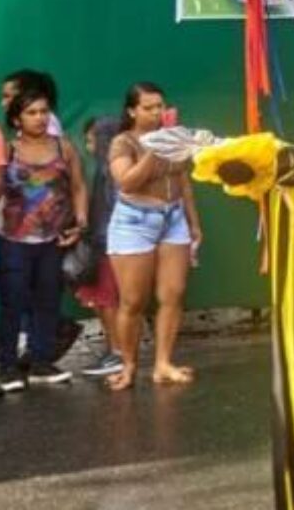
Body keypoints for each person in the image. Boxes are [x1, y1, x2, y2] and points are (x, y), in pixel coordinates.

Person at [106, 83, 202, 391]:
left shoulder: (175, 136)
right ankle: (129, 366)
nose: (157, 112)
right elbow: (127, 182)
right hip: (135, 220)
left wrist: (193, 222)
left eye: (160, 105)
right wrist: (156, 148)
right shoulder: (123, 142)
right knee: (133, 301)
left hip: (173, 219)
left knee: (173, 294)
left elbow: (182, 180)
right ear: (132, 111)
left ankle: (162, 364)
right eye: (148, 107)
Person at [0, 89, 88, 391]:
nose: (40, 117)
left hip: (54, 239)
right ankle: (8, 368)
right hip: (13, 239)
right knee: (13, 302)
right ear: (17, 119)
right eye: (32, 113)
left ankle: (41, 362)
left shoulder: (64, 148)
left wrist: (81, 221)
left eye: (44, 111)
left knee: (48, 301)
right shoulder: (8, 151)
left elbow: (78, 187)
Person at [75, 116, 126, 379]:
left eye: (91, 139)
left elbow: (116, 209)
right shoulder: (103, 169)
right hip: (104, 243)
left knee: (107, 300)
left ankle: (118, 353)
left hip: (109, 244)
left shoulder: (110, 172)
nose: (88, 146)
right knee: (102, 299)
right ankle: (114, 351)